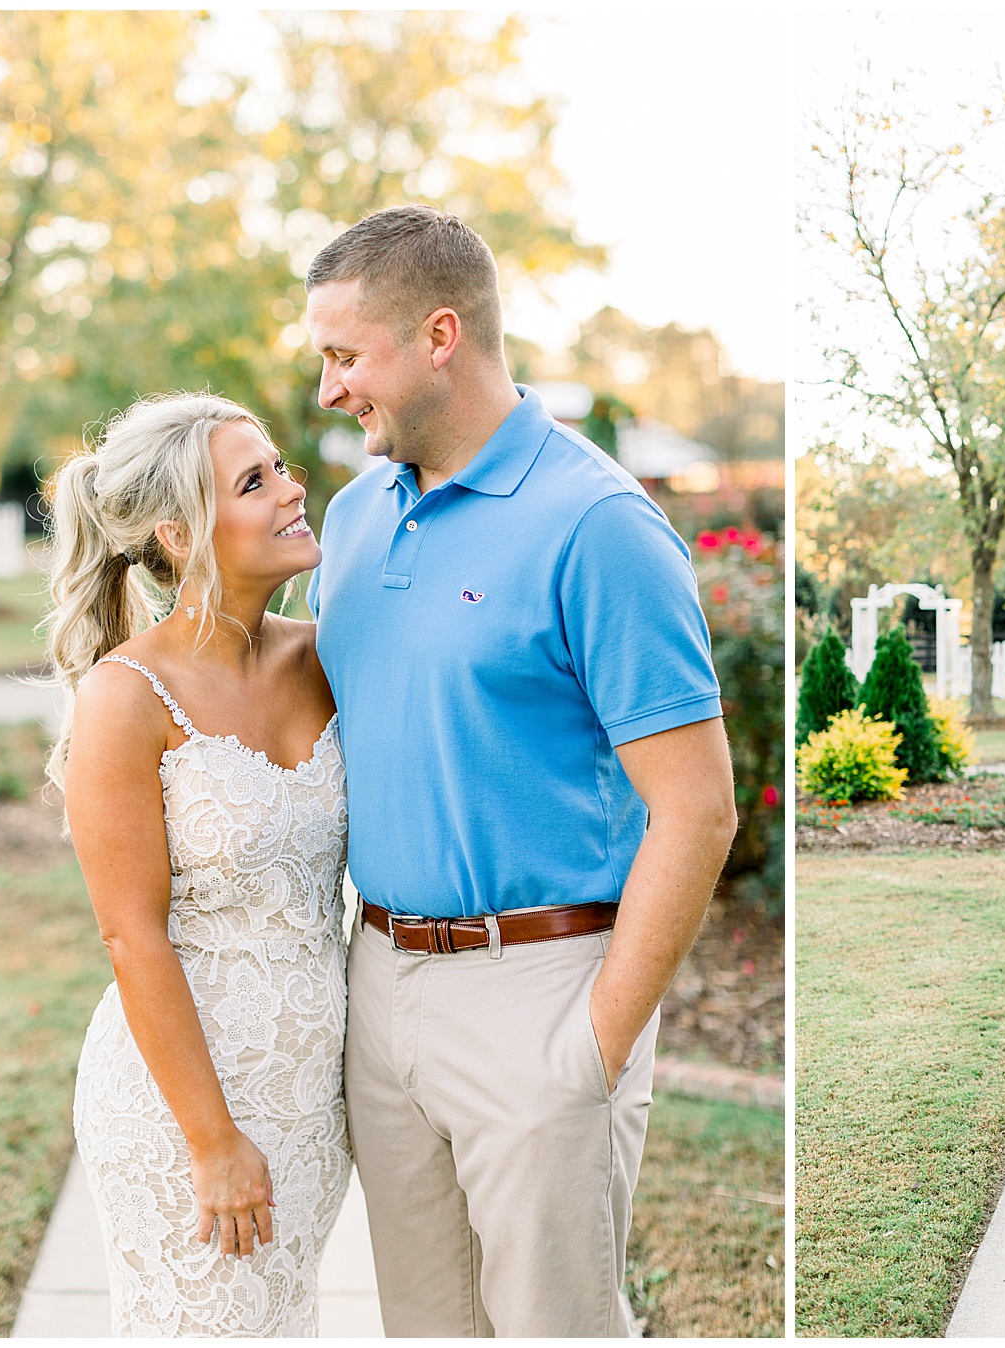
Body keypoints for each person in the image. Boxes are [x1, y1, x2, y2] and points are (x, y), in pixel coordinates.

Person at [304, 205, 738, 1337]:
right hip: (380, 980)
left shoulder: (599, 526)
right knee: (427, 1327)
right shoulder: (352, 521)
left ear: (439, 335)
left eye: (344, 357)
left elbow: (697, 811)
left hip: (541, 987)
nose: (327, 391)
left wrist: (592, 1044)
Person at [51, 392, 350, 1336]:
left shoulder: (326, 658)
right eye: (254, 481)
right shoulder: (125, 696)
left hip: (311, 1098)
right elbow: (130, 934)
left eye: (282, 467)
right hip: (185, 1105)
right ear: (179, 532)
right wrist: (212, 1140)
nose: (293, 491)